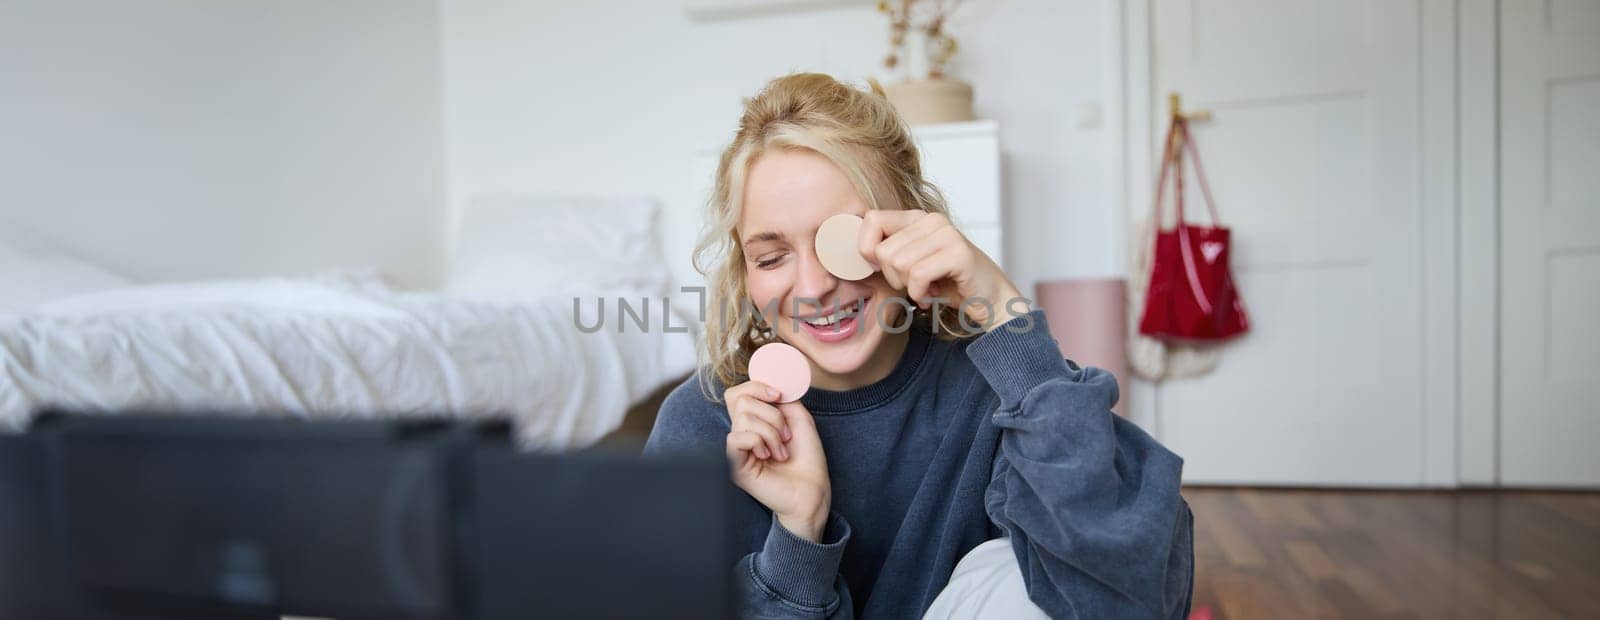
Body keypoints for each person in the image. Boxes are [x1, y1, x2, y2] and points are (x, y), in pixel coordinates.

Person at [644, 72, 1193, 619]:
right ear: (745, 274)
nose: (812, 288)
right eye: (771, 257)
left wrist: (1003, 309)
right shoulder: (704, 424)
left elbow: (1125, 594)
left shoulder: (1002, 396)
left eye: (843, 241)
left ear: (911, 224)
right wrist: (799, 532)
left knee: (1016, 572)